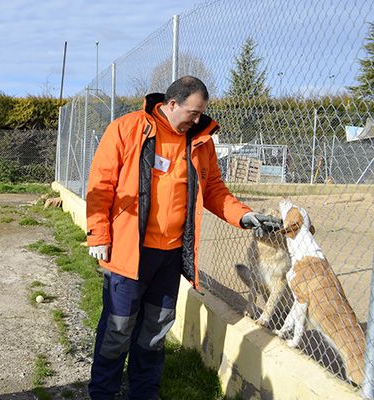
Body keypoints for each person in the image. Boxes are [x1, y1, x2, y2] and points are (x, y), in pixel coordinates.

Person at [85, 76, 280, 399]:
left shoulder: (200, 141)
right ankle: (102, 392)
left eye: (201, 114)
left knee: (154, 331)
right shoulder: (128, 129)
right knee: (117, 330)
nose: (197, 119)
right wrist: (98, 236)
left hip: (171, 256)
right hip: (128, 253)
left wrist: (243, 216)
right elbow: (100, 185)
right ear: (171, 104)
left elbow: (214, 189)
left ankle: (144, 393)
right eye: (193, 112)